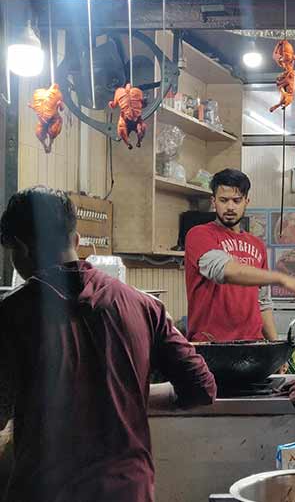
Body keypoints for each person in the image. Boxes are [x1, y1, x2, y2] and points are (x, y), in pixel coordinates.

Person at [0, 186, 217, 502]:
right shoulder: (144, 305)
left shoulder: (11, 314)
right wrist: (130, 392)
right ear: (75, 241)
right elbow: (201, 388)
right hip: (127, 490)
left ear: (21, 249)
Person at [185, 168, 295, 342]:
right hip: (210, 345)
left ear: (246, 201)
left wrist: (275, 346)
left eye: (237, 200)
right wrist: (281, 278)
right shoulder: (199, 235)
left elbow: (263, 302)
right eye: (224, 200)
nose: (230, 207)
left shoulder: (257, 245)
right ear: (213, 201)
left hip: (253, 344)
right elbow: (224, 270)